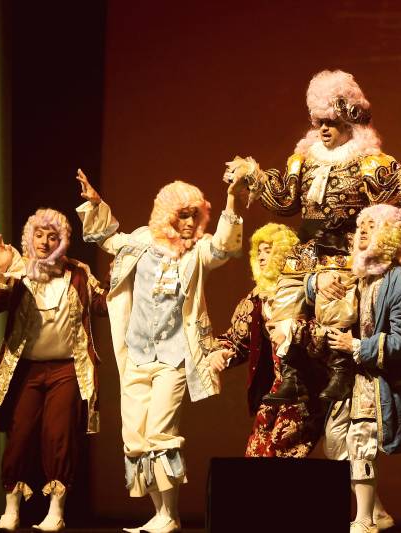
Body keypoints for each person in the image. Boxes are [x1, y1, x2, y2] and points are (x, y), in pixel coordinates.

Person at [224, 69, 401, 403]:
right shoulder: (304, 161)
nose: (324, 129)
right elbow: (285, 201)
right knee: (283, 294)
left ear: (348, 124)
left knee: (335, 295)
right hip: (308, 249)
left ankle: (341, 369)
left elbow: (392, 193)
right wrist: (253, 176)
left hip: (344, 248)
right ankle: (292, 373)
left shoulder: (367, 162)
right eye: (320, 123)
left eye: (331, 123)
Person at [75, 169, 244, 533]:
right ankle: (160, 513)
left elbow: (224, 247)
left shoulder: (197, 252)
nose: (190, 223)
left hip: (174, 358)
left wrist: (231, 199)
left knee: (160, 435)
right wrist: (96, 203)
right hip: (137, 355)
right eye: (183, 215)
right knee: (136, 438)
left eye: (195, 215)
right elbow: (107, 238)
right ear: (167, 215)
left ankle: (170, 514)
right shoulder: (141, 242)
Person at [0, 208, 107, 532]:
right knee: (19, 435)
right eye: (39, 235)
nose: (45, 242)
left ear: (63, 241)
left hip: (66, 369)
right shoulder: (18, 270)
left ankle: (56, 512)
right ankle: (11, 510)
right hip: (27, 369)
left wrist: (121, 280)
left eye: (52, 236)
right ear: (29, 237)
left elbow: (103, 304)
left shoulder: (77, 272)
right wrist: (0, 268)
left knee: (59, 435)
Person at [322, 204, 401, 533]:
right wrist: (321, 282)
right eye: (361, 225)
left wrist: (356, 346)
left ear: (388, 235)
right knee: (336, 443)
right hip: (349, 378)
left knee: (360, 442)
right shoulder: (356, 274)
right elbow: (310, 283)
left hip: (377, 378)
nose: (362, 231)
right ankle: (377, 511)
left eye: (372, 225)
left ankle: (363, 519)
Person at [209, 222, 325, 457]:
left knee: (280, 452)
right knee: (256, 451)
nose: (261, 256)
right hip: (275, 389)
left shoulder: (304, 292)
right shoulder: (257, 299)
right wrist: (221, 351)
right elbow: (237, 338)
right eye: (259, 251)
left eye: (268, 250)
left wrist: (292, 330)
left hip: (305, 390)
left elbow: (324, 333)